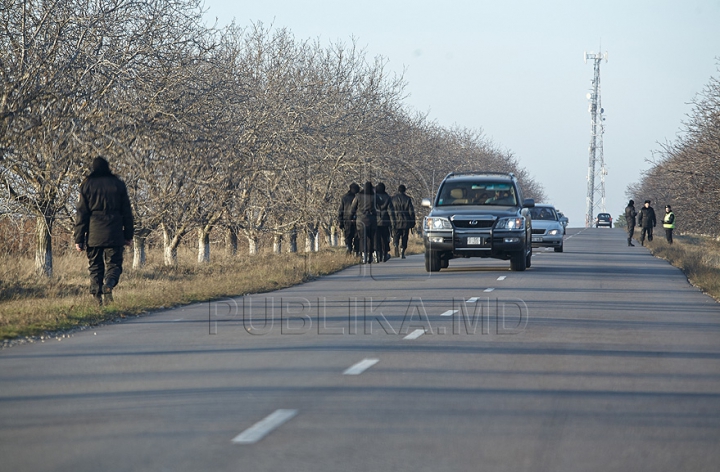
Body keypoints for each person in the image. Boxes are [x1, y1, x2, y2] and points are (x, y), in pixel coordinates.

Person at [74, 157, 134, 305]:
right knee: (114, 264)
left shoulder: (87, 185)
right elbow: (127, 212)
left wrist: (79, 239)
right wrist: (128, 235)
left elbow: (81, 214)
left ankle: (97, 297)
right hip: (114, 233)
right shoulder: (118, 184)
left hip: (94, 233)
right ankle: (109, 284)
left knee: (95, 266)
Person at [350, 182, 377, 264]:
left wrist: (351, 217)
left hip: (361, 220)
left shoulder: (358, 196)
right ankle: (370, 255)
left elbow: (353, 208)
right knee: (371, 238)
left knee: (362, 238)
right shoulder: (374, 196)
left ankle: (363, 255)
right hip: (372, 220)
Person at [391, 184, 416, 259]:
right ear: (404, 190)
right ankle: (402, 250)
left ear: (398, 190)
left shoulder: (393, 199)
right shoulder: (408, 199)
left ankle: (395, 244)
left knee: (396, 235)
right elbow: (411, 211)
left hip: (396, 220)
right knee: (405, 236)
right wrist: (413, 221)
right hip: (406, 221)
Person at [373, 182, 394, 263]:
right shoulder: (388, 197)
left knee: (376, 238)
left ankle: (378, 253)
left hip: (375, 221)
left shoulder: (374, 197)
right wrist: (393, 222)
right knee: (385, 239)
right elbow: (390, 211)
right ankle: (384, 254)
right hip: (385, 221)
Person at [338, 183, 360, 255]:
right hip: (357, 220)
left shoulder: (344, 198)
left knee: (348, 236)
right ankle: (356, 250)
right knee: (357, 236)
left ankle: (349, 248)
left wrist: (340, 222)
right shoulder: (359, 197)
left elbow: (341, 210)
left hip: (347, 220)